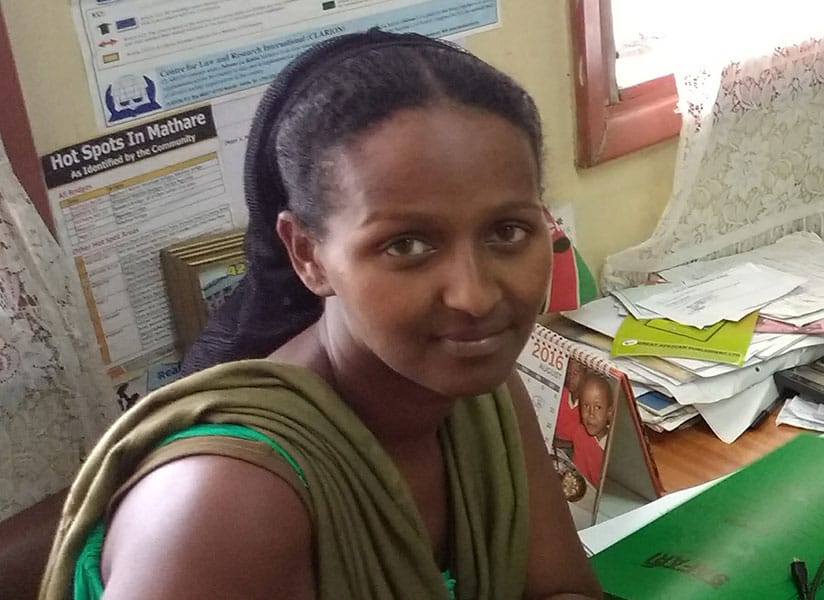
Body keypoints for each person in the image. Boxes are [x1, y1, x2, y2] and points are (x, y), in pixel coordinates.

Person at [39, 31, 601, 599]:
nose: (474, 297)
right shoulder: (222, 503)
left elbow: (558, 590)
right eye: (407, 245)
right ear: (307, 254)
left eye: (508, 232)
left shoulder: (486, 394)